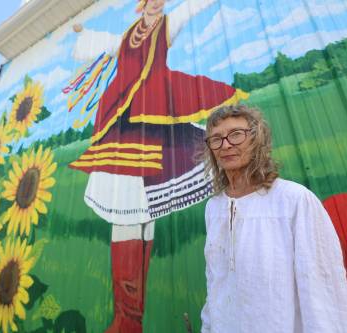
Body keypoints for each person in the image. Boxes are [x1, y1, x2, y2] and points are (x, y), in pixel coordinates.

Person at [68, 0, 247, 332]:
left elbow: (190, 8)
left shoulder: (167, 24)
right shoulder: (126, 36)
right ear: (141, 6)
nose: (155, 3)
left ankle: (129, 318)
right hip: (121, 120)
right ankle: (127, 317)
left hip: (153, 112)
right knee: (126, 210)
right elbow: (104, 43)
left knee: (140, 210)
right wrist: (85, 33)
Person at [201, 104, 347, 332]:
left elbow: (321, 285)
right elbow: (215, 282)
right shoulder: (214, 208)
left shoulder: (293, 200)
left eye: (236, 134)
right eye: (216, 139)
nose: (226, 145)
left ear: (256, 139)